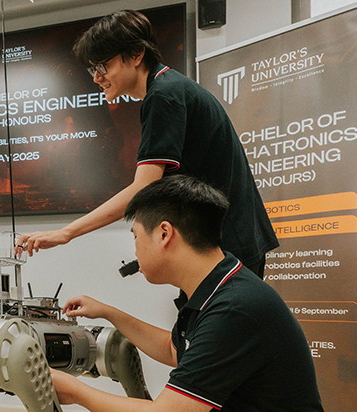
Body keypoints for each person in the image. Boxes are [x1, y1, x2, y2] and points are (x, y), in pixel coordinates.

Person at [50, 176, 335, 412]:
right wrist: (109, 312)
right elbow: (175, 349)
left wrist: (74, 389)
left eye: (136, 236)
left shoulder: (235, 309)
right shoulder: (214, 289)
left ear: (164, 233)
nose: (135, 250)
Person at [17, 10, 278, 278]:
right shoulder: (169, 88)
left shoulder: (164, 95)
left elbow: (144, 188)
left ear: (136, 54)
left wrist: (66, 233)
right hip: (222, 242)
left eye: (102, 66)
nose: (96, 77)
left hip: (227, 245)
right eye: (92, 69)